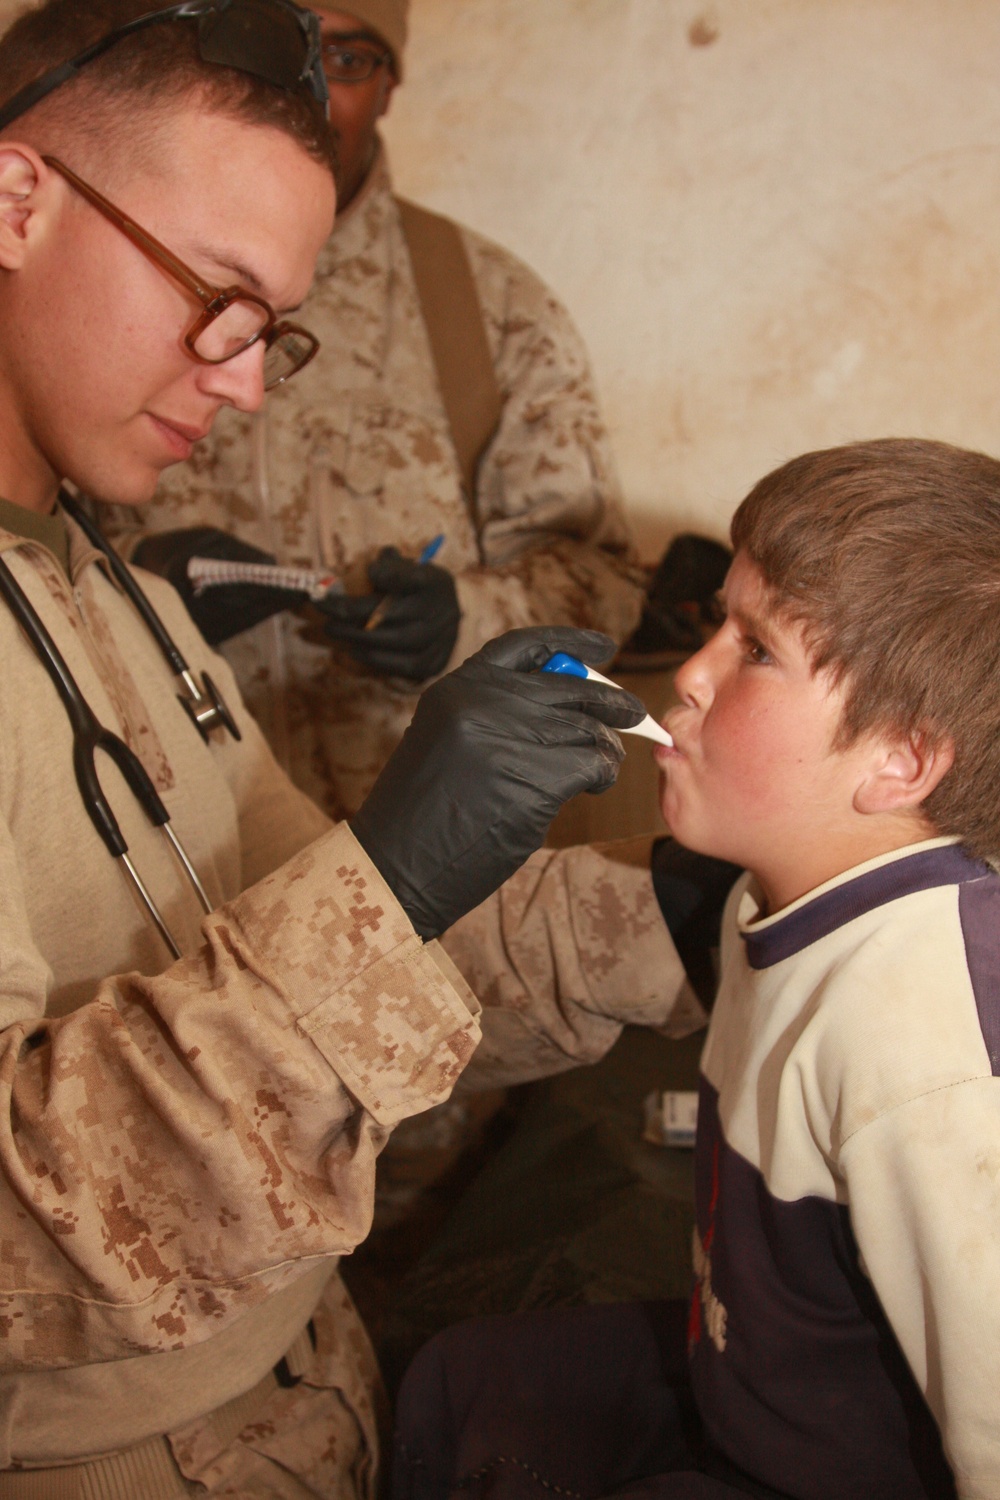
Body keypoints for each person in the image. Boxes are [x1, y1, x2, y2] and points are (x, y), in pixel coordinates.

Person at [0, 3, 678, 1495]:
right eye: (214, 295)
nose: (244, 384)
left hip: (300, 1387)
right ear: (17, 197)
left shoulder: (98, 581)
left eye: (276, 329)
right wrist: (393, 865)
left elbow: (331, 927)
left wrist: (673, 911)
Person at [391, 438, 1000, 1500]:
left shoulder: (934, 1054)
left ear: (900, 758)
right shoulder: (767, 897)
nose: (690, 672)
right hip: (747, 1375)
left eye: (754, 650)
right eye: (719, 621)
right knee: (457, 1388)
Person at [98, 0, 646, 820]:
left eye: (348, 61)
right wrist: (141, 587)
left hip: (427, 863)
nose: (309, 88)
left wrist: (464, 619)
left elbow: (605, 583)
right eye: (279, 47)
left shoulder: (490, 308)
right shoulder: (110, 271)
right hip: (170, 855)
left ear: (391, 86)